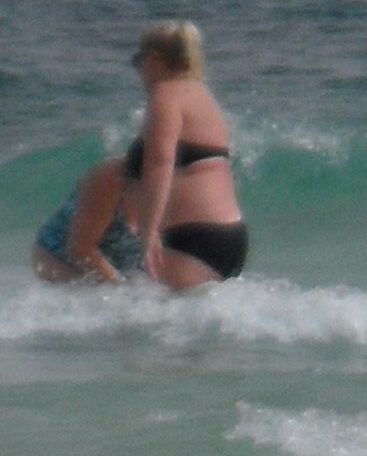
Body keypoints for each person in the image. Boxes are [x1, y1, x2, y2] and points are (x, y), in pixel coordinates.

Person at [29, 20, 251, 292]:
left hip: (191, 237)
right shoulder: (203, 97)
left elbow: (160, 163)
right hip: (231, 236)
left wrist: (149, 232)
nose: (138, 71)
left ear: (154, 60)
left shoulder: (166, 94)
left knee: (161, 330)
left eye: (138, 60)